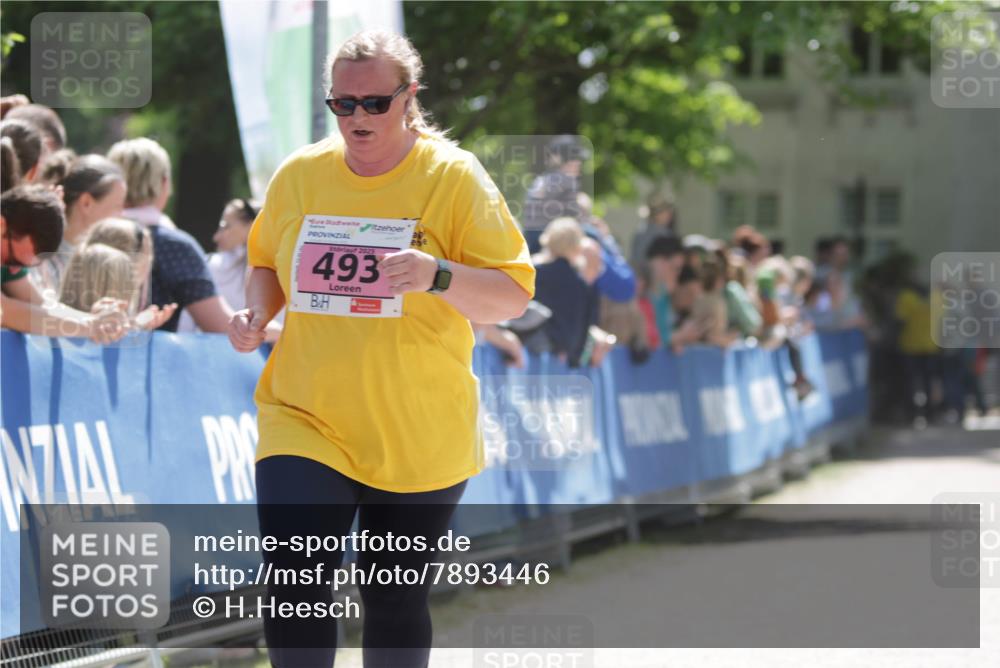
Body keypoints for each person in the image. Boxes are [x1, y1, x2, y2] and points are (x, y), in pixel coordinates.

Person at [227, 29, 534, 668]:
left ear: (409, 97)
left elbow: (511, 297)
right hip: (306, 416)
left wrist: (435, 274)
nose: (358, 117)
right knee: (296, 582)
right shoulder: (302, 174)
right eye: (343, 104)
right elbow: (265, 264)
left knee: (392, 598)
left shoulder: (454, 178)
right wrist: (258, 312)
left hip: (417, 425)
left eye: (374, 103)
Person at [108, 138, 272, 336]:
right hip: (149, 363)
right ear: (164, 183)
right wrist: (280, 333)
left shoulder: (92, 235)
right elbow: (221, 324)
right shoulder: (173, 246)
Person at [0, 184, 129, 343]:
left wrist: (99, 321)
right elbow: (5, 312)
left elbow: (41, 304)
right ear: (1, 225)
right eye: (11, 260)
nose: (14, 271)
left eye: (27, 266)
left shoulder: (11, 253)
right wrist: (89, 325)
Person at [31, 153, 127, 294]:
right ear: (86, 203)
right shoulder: (39, 258)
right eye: (118, 206)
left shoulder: (100, 261)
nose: (122, 216)